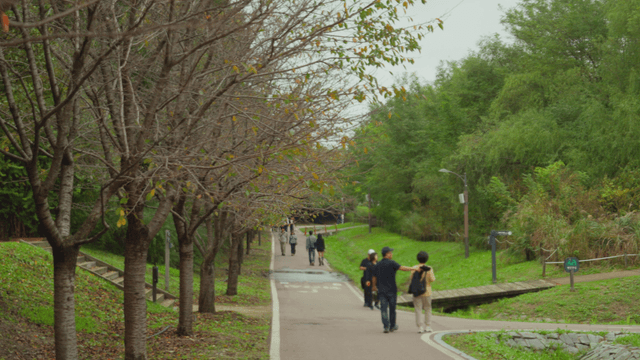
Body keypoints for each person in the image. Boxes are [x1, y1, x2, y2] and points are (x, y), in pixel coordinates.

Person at [372, 246, 415, 333]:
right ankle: (392, 326)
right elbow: (402, 268)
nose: (392, 254)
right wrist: (413, 268)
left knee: (383, 309)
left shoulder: (378, 264)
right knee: (392, 309)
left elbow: (374, 277)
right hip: (392, 290)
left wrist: (373, 286)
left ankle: (386, 326)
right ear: (387, 254)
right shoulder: (392, 263)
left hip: (382, 291)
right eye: (390, 253)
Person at [411, 251, 436, 333]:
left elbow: (411, 278)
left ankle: (420, 327)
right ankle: (428, 326)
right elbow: (432, 279)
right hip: (427, 291)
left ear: (417, 259)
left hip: (417, 291)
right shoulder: (429, 268)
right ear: (427, 259)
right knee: (428, 308)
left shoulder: (414, 268)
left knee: (418, 309)